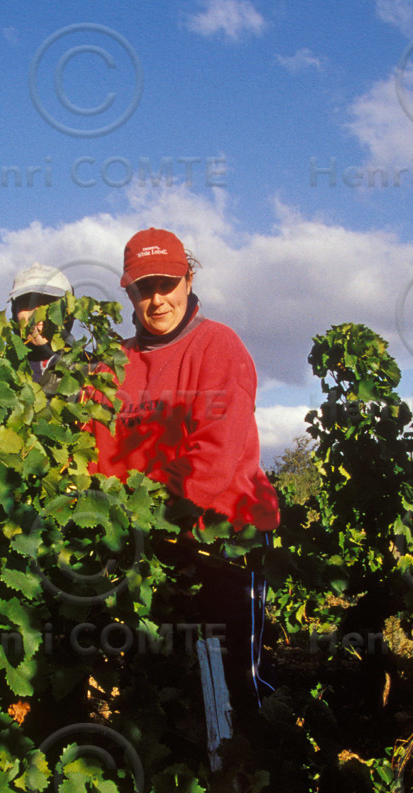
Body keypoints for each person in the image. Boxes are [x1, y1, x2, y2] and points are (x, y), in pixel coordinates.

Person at [88, 227, 280, 715]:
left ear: (189, 279)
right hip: (146, 547)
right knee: (156, 688)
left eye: (167, 284)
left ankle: (247, 780)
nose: (156, 300)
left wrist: (143, 515)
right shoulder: (111, 366)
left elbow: (213, 455)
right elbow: (90, 451)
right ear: (128, 292)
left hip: (221, 539)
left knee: (227, 685)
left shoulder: (218, 346)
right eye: (143, 288)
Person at [7, 263, 74, 387]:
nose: (37, 313)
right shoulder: (0, 371)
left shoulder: (93, 369)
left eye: (49, 304)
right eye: (26, 303)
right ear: (14, 311)